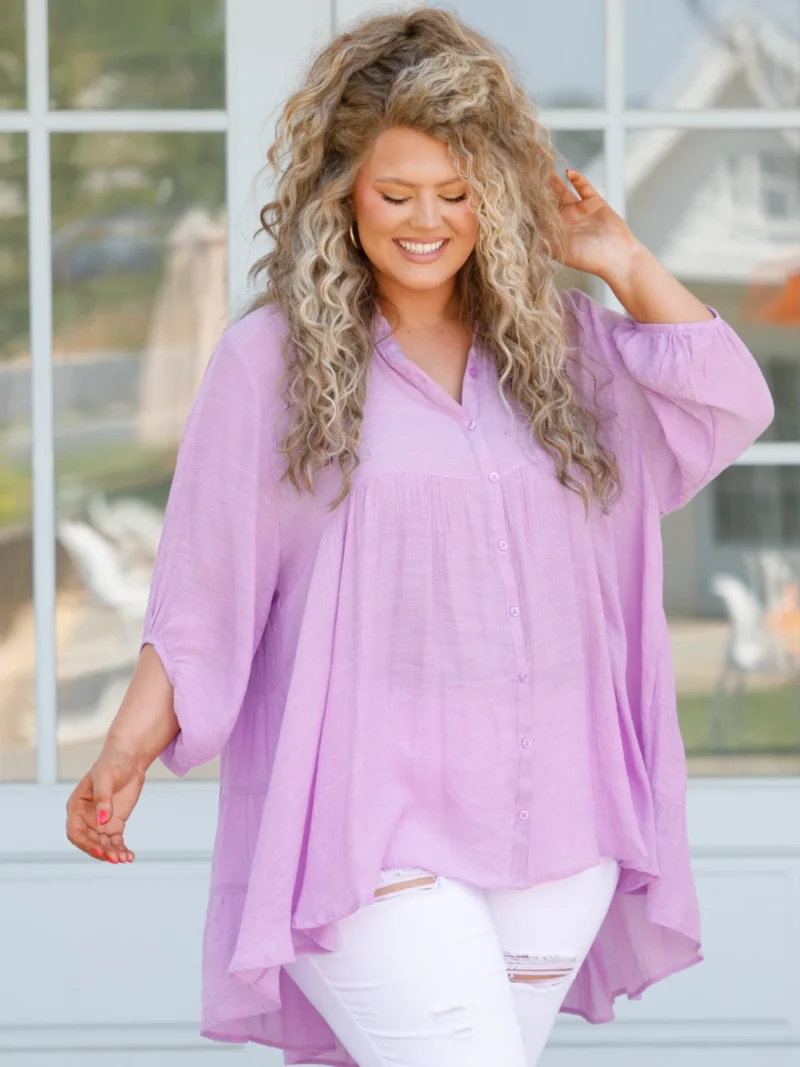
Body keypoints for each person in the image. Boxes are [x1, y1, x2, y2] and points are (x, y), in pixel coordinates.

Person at [65, 7, 775, 1067]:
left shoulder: (570, 351)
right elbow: (205, 585)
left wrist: (620, 260)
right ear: (341, 194)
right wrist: (125, 746)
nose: (426, 221)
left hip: (558, 822)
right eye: (395, 194)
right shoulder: (270, 364)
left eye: (456, 192)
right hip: (369, 821)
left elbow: (728, 406)